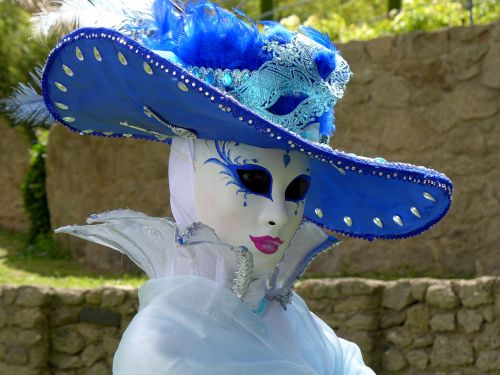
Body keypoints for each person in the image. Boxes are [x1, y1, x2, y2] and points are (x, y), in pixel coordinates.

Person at [4, 1, 452, 373]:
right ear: (187, 175)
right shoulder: (164, 352)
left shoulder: (293, 320)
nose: (278, 213)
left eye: (296, 190)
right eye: (253, 179)